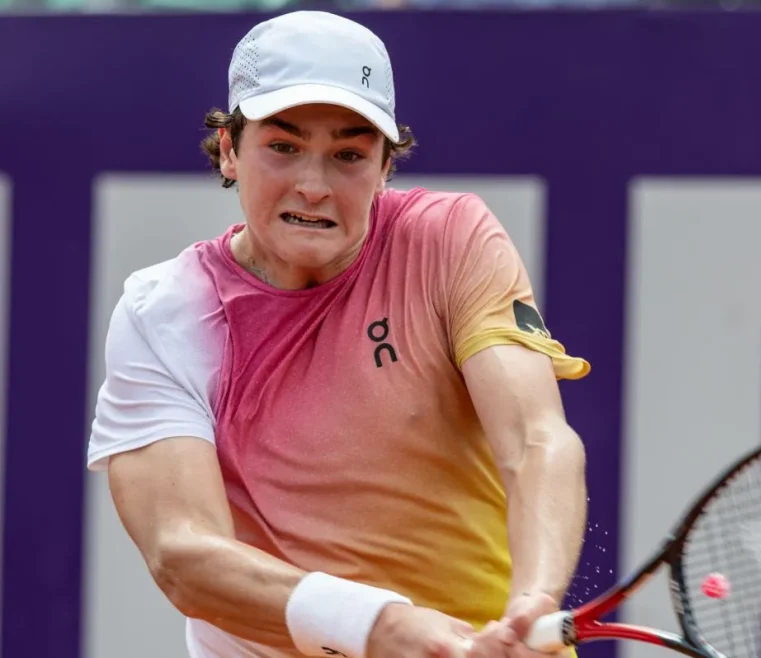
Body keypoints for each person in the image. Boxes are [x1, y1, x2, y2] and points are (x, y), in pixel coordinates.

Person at [86, 10, 591, 658]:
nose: (314, 185)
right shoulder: (165, 313)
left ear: (385, 168)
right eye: (284, 146)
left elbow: (536, 439)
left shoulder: (449, 240)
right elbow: (182, 553)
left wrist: (534, 602)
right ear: (231, 151)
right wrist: (375, 625)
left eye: (349, 155)